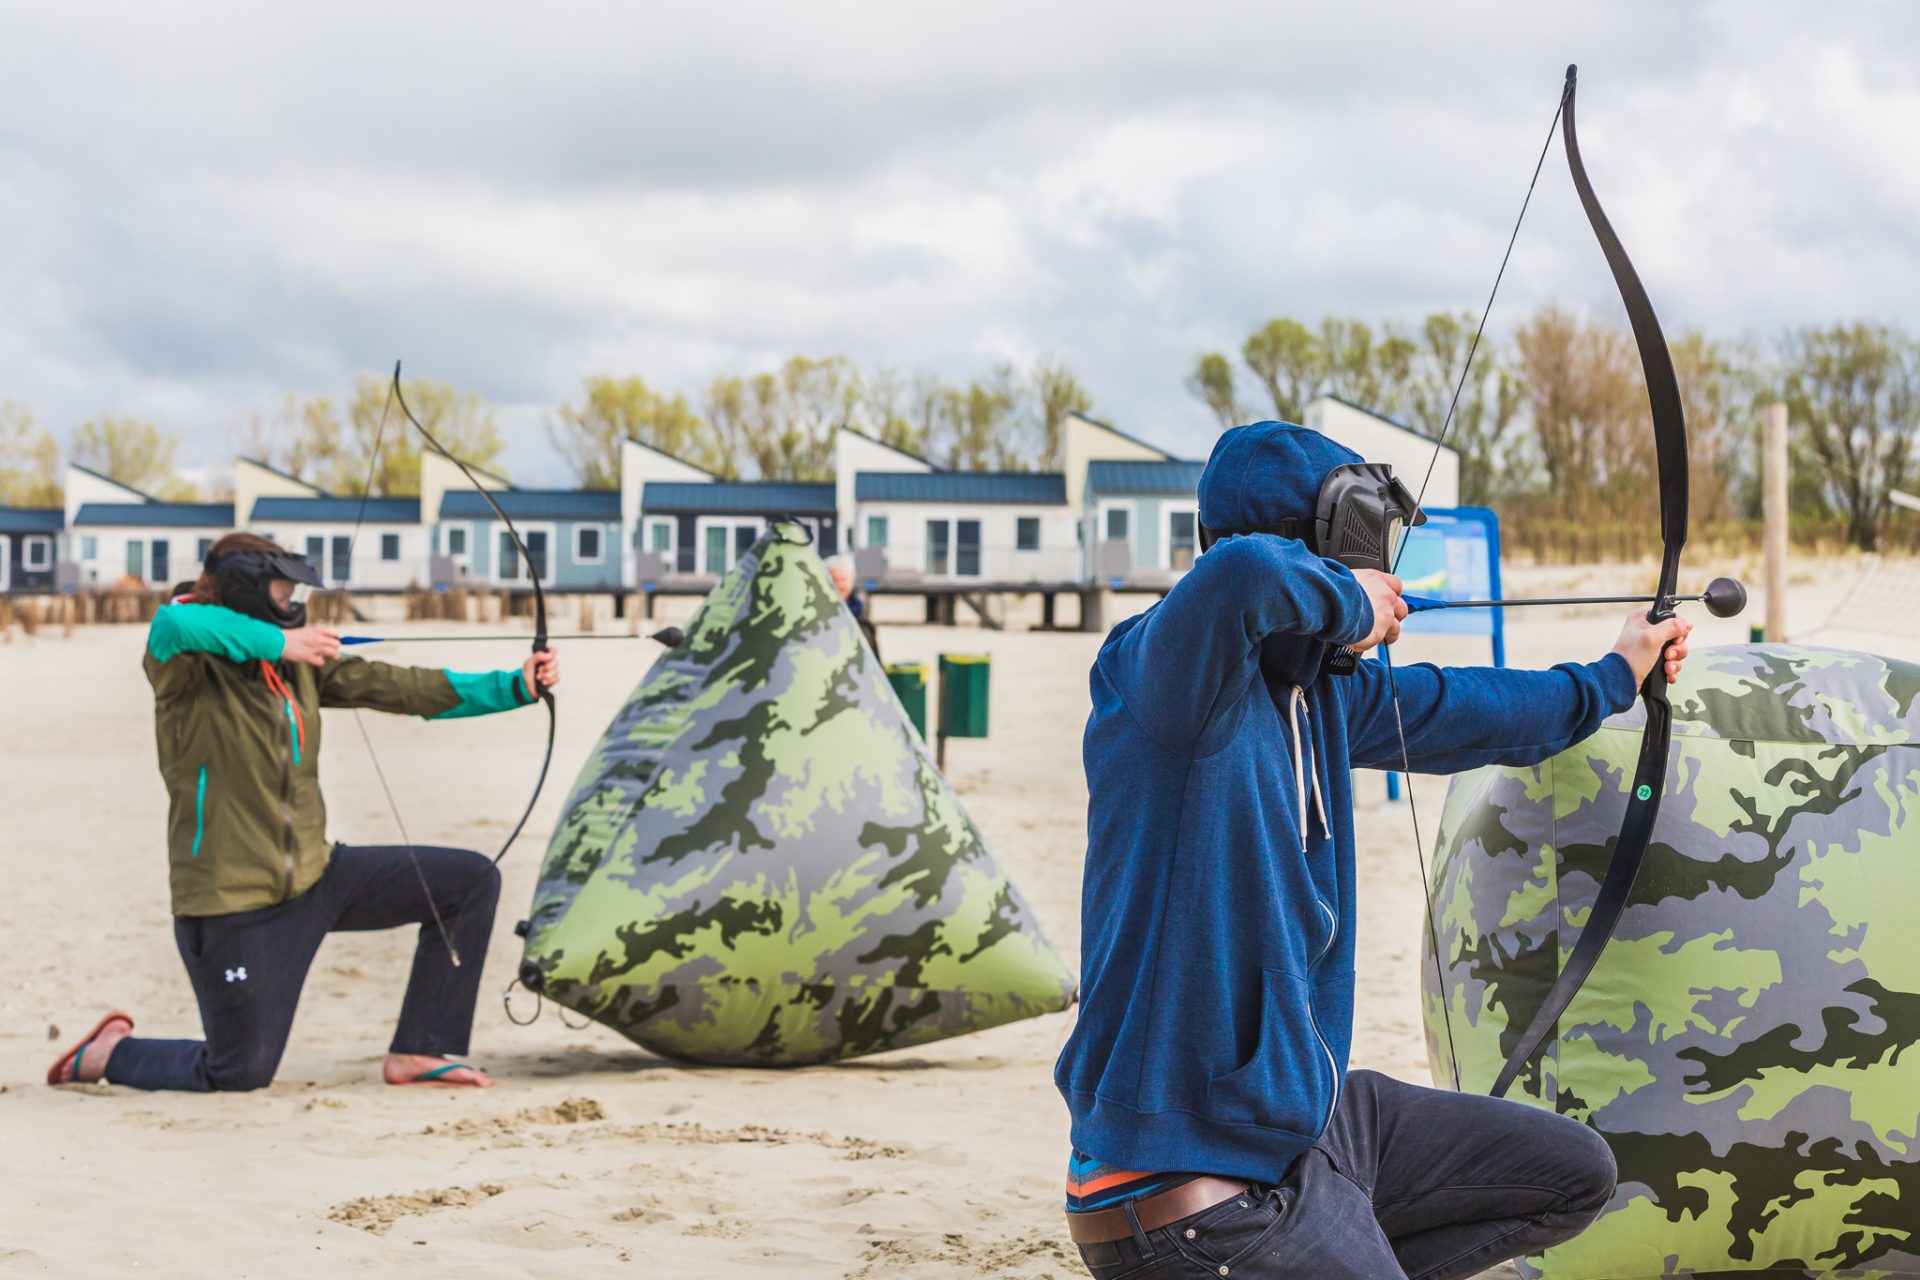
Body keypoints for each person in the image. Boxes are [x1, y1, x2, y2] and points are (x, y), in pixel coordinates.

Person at [1055, 422, 1693, 1279]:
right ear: (1328, 538)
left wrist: (1619, 671)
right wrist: (1355, 601)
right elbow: (1239, 577)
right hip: (1188, 1197)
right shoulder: (1160, 672)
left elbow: (1485, 707)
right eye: (1368, 537)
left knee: (1571, 1174)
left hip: (1300, 1133)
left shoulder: (1322, 698)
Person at [47, 532, 559, 1093]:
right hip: (232, 905)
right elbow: (173, 623)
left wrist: (514, 686)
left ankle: (418, 1049)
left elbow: (402, 688)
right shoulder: (184, 661)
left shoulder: (299, 664)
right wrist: (280, 644)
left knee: (469, 882)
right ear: (245, 588)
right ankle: (106, 1054)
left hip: (316, 878)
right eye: (282, 587)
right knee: (238, 1071)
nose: (293, 600)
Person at [824, 553, 882, 661]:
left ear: (851, 582)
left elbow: (874, 660)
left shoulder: (863, 619)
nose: (840, 585)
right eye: (835, 580)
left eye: (843, 580)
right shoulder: (817, 617)